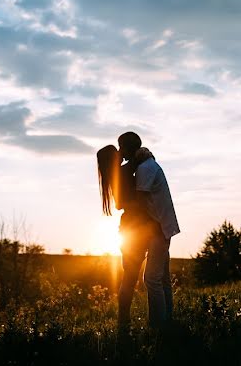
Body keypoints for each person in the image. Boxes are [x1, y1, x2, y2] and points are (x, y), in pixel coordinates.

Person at [117, 131, 180, 330]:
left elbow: (141, 201)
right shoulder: (148, 164)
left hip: (158, 228)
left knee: (151, 279)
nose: (121, 152)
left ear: (127, 148)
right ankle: (168, 321)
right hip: (164, 225)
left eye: (122, 148)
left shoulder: (144, 169)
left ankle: (158, 327)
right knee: (162, 278)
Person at [96, 144, 157, 332]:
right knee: (132, 278)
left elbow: (119, 203)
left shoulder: (114, 175)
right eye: (117, 152)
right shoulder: (121, 172)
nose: (121, 153)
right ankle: (124, 322)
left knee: (129, 278)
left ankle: (124, 321)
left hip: (129, 228)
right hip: (135, 228)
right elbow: (122, 202)